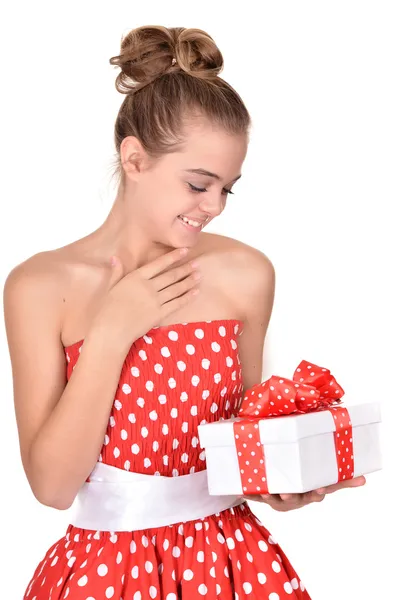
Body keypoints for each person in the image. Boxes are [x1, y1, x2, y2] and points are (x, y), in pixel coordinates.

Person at [3, 25, 366, 600]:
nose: (214, 207)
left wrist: (280, 481)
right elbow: (51, 486)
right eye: (199, 183)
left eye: (228, 188)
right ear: (134, 158)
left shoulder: (246, 274)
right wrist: (114, 331)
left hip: (232, 565)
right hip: (105, 572)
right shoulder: (41, 286)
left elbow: (243, 443)